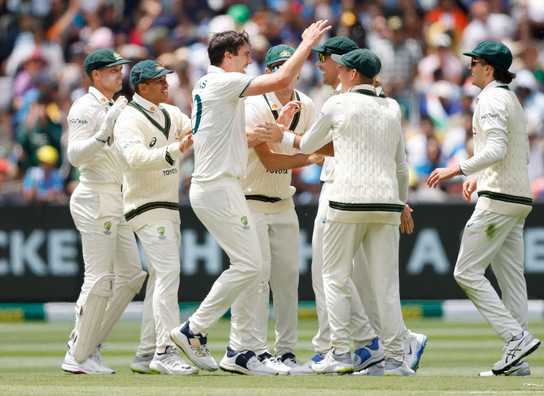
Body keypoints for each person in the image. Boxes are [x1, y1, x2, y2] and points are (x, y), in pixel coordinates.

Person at [170, 21, 331, 376]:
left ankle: (238, 350)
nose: (248, 63)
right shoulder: (223, 81)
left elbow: (222, 133)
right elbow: (278, 80)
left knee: (252, 267)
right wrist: (306, 43)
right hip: (220, 187)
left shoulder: (212, 86)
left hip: (218, 186)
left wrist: (276, 126)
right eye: (245, 56)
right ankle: (197, 331)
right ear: (227, 57)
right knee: (251, 267)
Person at [290, 36, 427, 374]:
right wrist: (401, 204)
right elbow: (400, 165)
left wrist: (279, 133)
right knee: (385, 285)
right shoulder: (392, 107)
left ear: (350, 73)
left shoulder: (337, 104)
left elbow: (307, 144)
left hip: (346, 199)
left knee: (334, 278)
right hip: (384, 202)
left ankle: (339, 353)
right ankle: (397, 359)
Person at [427, 40, 541, 376]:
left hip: (500, 200)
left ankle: (515, 337)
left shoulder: (491, 99)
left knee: (466, 271)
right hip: (518, 198)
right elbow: (512, 152)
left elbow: (496, 148)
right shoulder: (509, 98)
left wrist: (457, 169)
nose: (470, 67)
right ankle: (516, 359)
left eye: (474, 62)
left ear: (489, 68)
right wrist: (481, 175)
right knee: (511, 279)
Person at [114, 60, 205, 375]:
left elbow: (195, 128)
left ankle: (146, 352)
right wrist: (176, 150)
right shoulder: (128, 118)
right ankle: (165, 351)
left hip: (166, 205)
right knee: (168, 274)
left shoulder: (168, 113)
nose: (166, 85)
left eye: (165, 80)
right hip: (144, 205)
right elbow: (135, 158)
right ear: (141, 88)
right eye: (158, 82)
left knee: (160, 279)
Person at [61, 49, 146, 375]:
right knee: (99, 279)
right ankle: (77, 353)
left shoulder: (115, 104)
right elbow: (75, 156)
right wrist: (102, 131)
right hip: (94, 195)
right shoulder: (85, 106)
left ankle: (88, 344)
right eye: (112, 70)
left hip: (117, 197)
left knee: (131, 276)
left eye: (120, 70)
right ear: (95, 75)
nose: (119, 75)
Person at [236, 44, 318, 375]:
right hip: (249, 199)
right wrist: (308, 157)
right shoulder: (253, 103)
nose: (287, 72)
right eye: (280, 67)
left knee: (286, 280)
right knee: (256, 278)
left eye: (291, 66)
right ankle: (251, 350)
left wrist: (306, 151)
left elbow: (317, 144)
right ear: (269, 72)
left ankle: (284, 352)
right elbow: (269, 159)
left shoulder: (307, 105)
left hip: (283, 201)